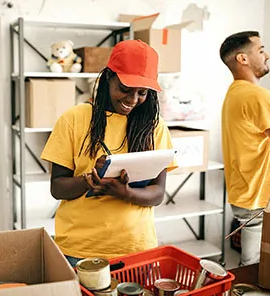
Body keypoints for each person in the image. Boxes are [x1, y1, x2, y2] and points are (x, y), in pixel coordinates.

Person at [40, 39, 177, 267]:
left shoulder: (154, 126)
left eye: (142, 92)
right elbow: (57, 188)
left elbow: (158, 193)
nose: (132, 100)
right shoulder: (74, 119)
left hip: (136, 248)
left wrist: (125, 193)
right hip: (80, 250)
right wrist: (87, 181)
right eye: (124, 89)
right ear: (108, 78)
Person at [219, 31, 270, 266]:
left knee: (257, 267)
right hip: (263, 198)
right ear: (243, 59)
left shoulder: (234, 94)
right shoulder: (257, 96)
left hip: (248, 194)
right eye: (261, 50)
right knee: (260, 271)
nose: (268, 55)